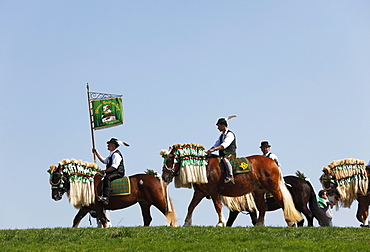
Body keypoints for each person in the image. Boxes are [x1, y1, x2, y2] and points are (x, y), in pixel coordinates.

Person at [92, 137, 127, 205]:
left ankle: (106, 197)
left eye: (109, 144)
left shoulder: (116, 155)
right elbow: (104, 161)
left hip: (118, 172)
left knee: (107, 178)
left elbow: (114, 167)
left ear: (114, 145)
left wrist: (104, 171)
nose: (108, 145)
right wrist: (96, 153)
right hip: (113, 172)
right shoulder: (111, 154)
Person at [207, 117, 237, 184]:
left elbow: (224, 145)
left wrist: (214, 149)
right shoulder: (221, 136)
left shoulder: (230, 134)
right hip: (223, 154)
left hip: (230, 154)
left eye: (219, 126)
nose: (218, 128)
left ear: (223, 126)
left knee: (225, 159)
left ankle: (230, 176)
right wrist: (209, 150)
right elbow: (216, 144)